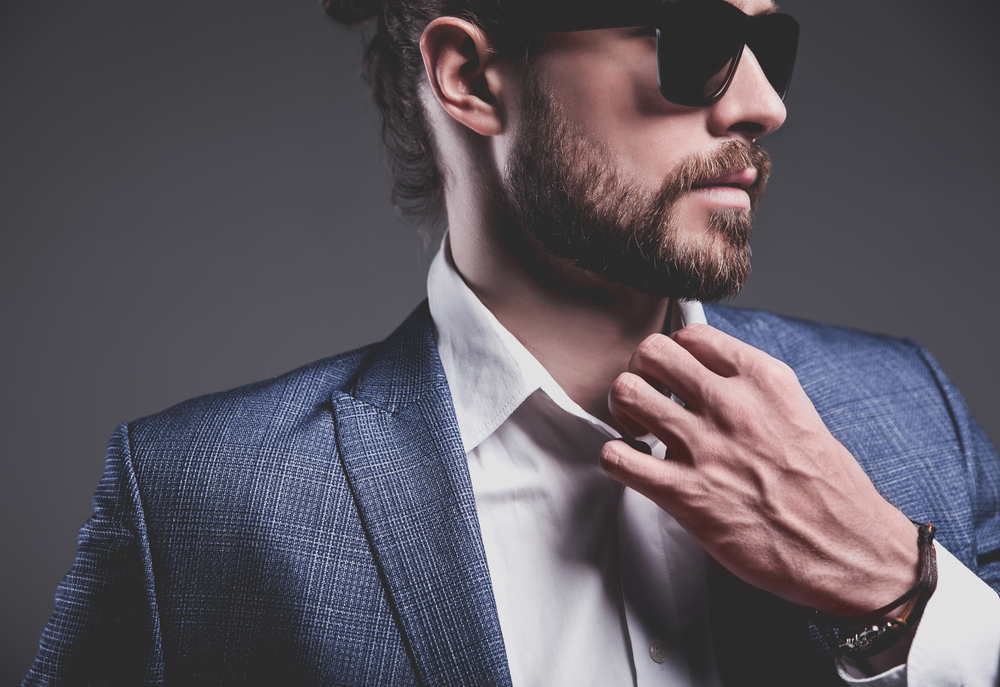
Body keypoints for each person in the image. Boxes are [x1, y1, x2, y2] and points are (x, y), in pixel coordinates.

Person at [23, 0, 1000, 684]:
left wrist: (893, 589)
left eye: (767, 46)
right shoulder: (200, 499)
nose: (762, 106)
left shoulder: (910, 411)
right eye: (696, 38)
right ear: (473, 77)